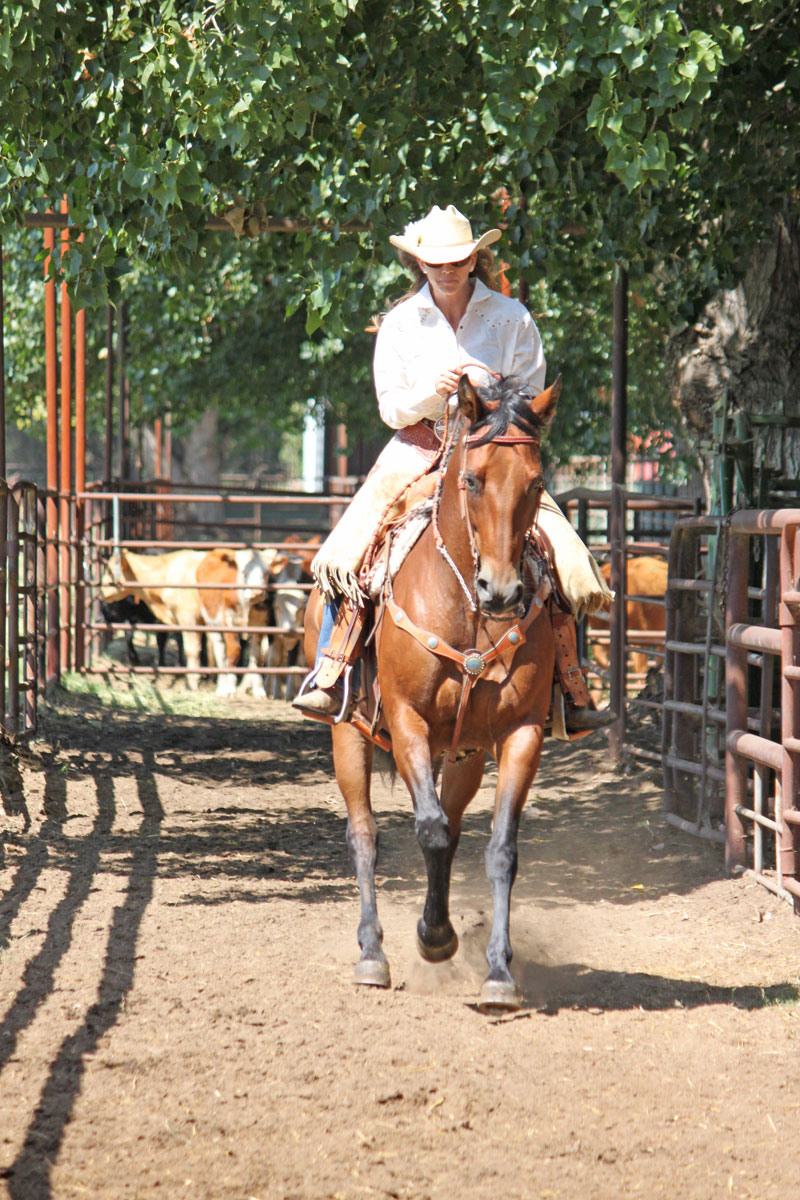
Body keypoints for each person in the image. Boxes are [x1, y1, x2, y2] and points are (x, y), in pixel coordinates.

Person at [295, 204, 614, 735]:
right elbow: (390, 408)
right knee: (347, 551)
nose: (448, 270)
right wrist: (432, 391)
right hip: (420, 446)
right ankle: (331, 675)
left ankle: (570, 687)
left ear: (474, 259)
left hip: (494, 452)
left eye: (459, 260)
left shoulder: (511, 318)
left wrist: (489, 391)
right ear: (420, 264)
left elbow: (531, 398)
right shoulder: (399, 323)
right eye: (437, 262)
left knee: (568, 559)